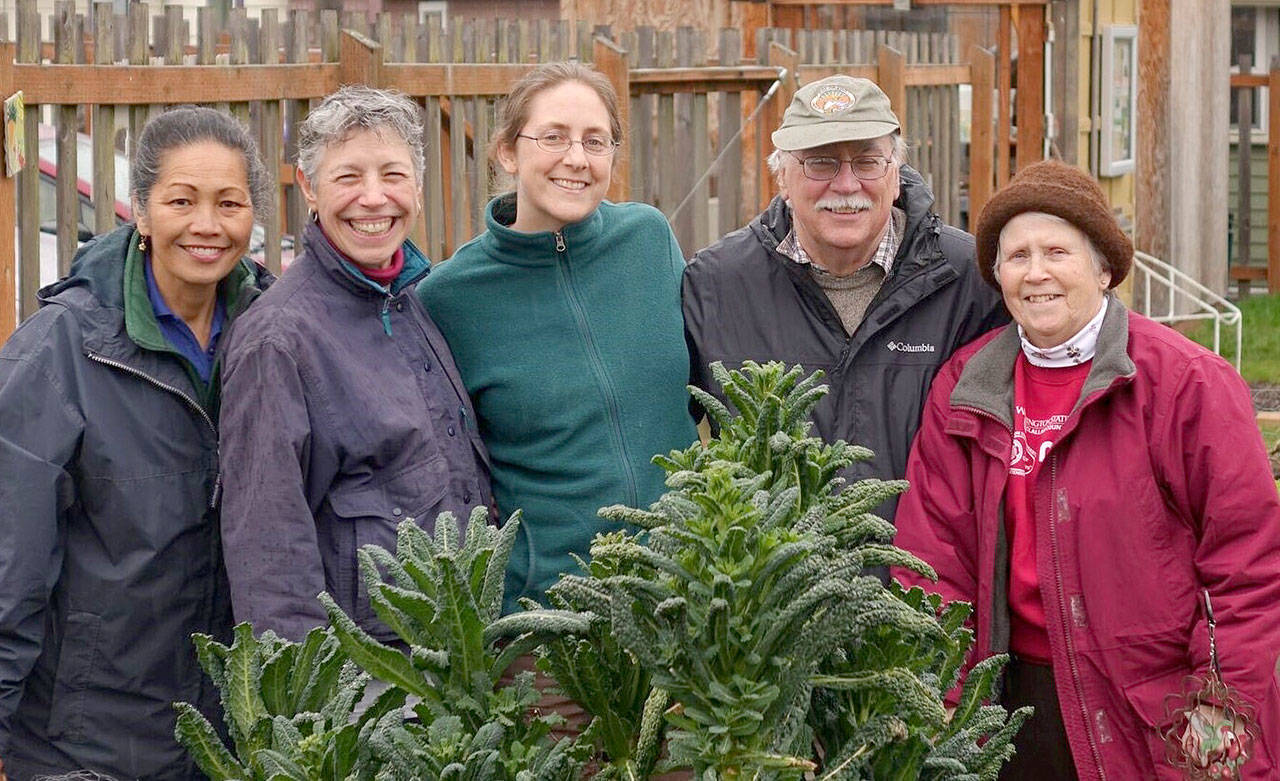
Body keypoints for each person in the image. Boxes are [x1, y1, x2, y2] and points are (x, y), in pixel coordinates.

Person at [894, 159, 1280, 779]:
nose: (1037, 273)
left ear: (1103, 268)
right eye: (1016, 256)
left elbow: (1247, 559)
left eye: (1057, 252)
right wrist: (944, 694)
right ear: (997, 276)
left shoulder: (1186, 384)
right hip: (1015, 703)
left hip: (1158, 710)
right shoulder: (967, 388)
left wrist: (1220, 702)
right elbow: (933, 555)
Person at [0, 106, 273, 779]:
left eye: (229, 203)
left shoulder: (273, 339)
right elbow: (10, 564)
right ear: (142, 214)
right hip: (86, 740)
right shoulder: (64, 349)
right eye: (182, 200)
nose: (207, 224)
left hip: (231, 738)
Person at [418, 62, 698, 617]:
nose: (577, 158)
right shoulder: (450, 298)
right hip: (554, 616)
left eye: (596, 141)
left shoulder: (649, 240)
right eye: (553, 137)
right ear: (507, 152)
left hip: (687, 599)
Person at [219, 86, 492, 644]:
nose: (374, 198)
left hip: (461, 653)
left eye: (392, 175)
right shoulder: (277, 340)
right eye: (348, 178)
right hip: (371, 677)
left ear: (417, 187)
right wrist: (313, 707)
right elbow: (269, 551)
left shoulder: (415, 298)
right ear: (310, 189)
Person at [683, 75, 1007, 513]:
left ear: (895, 175)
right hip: (773, 576)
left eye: (868, 161)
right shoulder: (716, 286)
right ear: (782, 178)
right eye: (820, 163)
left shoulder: (973, 281)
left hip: (926, 576)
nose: (847, 184)